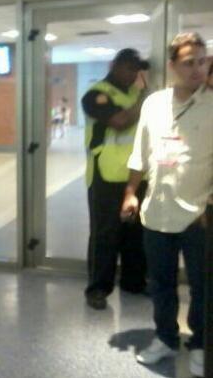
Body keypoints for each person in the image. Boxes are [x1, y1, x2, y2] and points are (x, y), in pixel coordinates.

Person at [122, 32, 212, 378]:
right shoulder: (154, 104)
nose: (197, 69)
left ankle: (201, 343)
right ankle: (166, 338)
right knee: (160, 283)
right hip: (157, 210)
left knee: (203, 285)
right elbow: (140, 152)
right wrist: (131, 192)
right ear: (173, 66)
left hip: (199, 215)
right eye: (189, 63)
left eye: (202, 62)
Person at [81, 48, 150, 310]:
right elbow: (119, 121)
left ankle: (134, 282)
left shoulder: (134, 94)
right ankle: (98, 289)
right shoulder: (95, 94)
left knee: (135, 233)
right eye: (129, 68)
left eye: (137, 69)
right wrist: (144, 99)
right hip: (105, 175)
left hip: (135, 175)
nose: (133, 74)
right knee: (106, 234)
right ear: (114, 66)